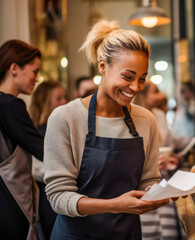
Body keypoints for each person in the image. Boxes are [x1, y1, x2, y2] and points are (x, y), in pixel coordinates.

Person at [43, 20, 176, 240]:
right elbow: (58, 197)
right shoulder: (65, 118)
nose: (135, 87)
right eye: (127, 76)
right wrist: (115, 205)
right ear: (103, 66)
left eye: (142, 79)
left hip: (127, 235)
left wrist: (160, 192)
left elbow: (148, 178)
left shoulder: (146, 120)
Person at [133, 81, 189, 240]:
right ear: (143, 96)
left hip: (163, 179)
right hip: (141, 184)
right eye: (156, 91)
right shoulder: (130, 118)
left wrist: (173, 159)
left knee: (168, 228)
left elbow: (170, 143)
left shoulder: (159, 115)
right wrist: (147, 164)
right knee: (148, 230)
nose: (162, 95)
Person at [0, 39, 44, 239]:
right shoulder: (10, 105)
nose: (37, 78)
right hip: (9, 196)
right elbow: (41, 148)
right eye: (34, 71)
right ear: (14, 68)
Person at [28, 80, 67, 239]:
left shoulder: (62, 127)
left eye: (64, 97)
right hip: (47, 196)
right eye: (58, 99)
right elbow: (35, 168)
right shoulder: (36, 132)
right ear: (44, 101)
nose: (64, 102)